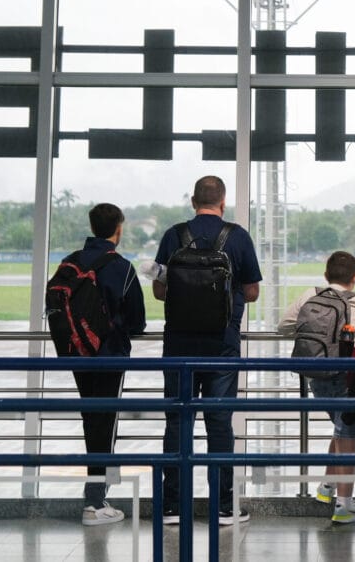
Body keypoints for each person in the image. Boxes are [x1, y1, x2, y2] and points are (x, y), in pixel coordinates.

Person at [153, 175, 262, 526]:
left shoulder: (174, 235)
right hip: (222, 346)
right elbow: (252, 291)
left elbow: (158, 289)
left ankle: (172, 507)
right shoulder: (238, 237)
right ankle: (223, 507)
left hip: (179, 346)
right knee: (219, 423)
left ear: (192, 200)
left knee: (177, 422)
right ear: (223, 201)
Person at [279, 250, 355, 524]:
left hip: (316, 375)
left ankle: (326, 487)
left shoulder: (309, 295)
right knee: (348, 438)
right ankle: (343, 506)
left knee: (341, 429)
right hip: (349, 376)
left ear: (326, 275)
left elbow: (283, 327)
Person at [70, 203, 147, 526]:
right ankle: (95, 500)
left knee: (91, 418)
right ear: (118, 228)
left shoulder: (70, 262)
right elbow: (137, 321)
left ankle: (95, 495)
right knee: (105, 423)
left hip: (76, 354)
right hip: (110, 354)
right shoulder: (122, 268)